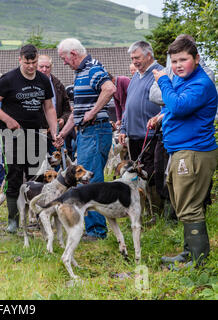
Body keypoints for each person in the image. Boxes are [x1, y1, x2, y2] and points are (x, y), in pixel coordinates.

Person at [150, 37, 217, 267]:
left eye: (183, 60)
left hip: (194, 152)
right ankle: (190, 253)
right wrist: (161, 117)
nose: (178, 65)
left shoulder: (200, 83)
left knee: (189, 206)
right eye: (174, 61)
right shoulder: (184, 80)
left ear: (196, 59)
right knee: (181, 203)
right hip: (180, 150)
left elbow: (178, 105)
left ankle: (198, 263)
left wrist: (164, 82)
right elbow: (172, 107)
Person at [0, 44, 59, 233]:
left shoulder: (43, 80)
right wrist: (7, 119)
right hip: (13, 136)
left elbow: (49, 107)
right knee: (14, 175)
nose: (31, 66)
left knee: (35, 176)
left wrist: (54, 130)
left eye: (34, 62)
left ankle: (36, 215)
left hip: (35, 134)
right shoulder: (9, 79)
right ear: (20, 60)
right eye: (27, 62)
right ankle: (13, 220)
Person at [55, 38, 116, 240]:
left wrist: (93, 112)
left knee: (90, 181)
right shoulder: (79, 72)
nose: (63, 62)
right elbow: (76, 113)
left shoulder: (92, 68)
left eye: (64, 58)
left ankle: (97, 231)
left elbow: (109, 89)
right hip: (85, 133)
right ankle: (93, 228)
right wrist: (63, 133)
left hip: (95, 131)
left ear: (73, 54)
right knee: (86, 181)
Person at [118, 41, 163, 215]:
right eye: (132, 58)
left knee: (151, 176)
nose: (134, 61)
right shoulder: (136, 76)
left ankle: (156, 213)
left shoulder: (159, 74)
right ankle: (142, 212)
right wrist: (123, 128)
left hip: (152, 135)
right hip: (134, 136)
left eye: (137, 57)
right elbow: (128, 106)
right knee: (137, 177)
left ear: (148, 55)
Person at [37, 54, 72, 161]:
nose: (44, 69)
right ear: (36, 67)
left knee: (60, 163)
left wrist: (63, 119)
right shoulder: (30, 84)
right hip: (38, 132)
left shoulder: (58, 85)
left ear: (51, 67)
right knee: (39, 167)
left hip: (56, 132)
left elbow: (67, 110)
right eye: (41, 66)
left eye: (47, 67)